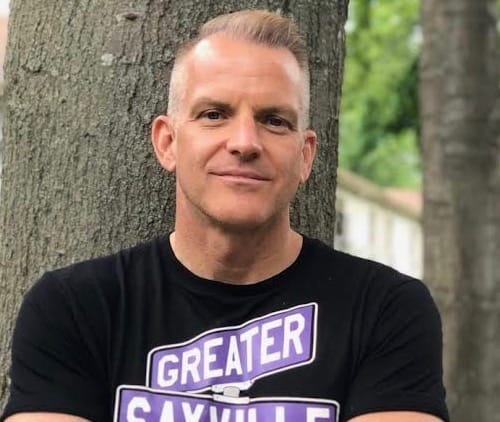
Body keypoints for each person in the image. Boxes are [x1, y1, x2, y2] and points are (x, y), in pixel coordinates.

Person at [1, 9, 449, 422]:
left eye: (274, 120)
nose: (244, 142)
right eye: (214, 114)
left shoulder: (385, 311)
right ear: (168, 142)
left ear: (305, 155)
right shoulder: (74, 309)